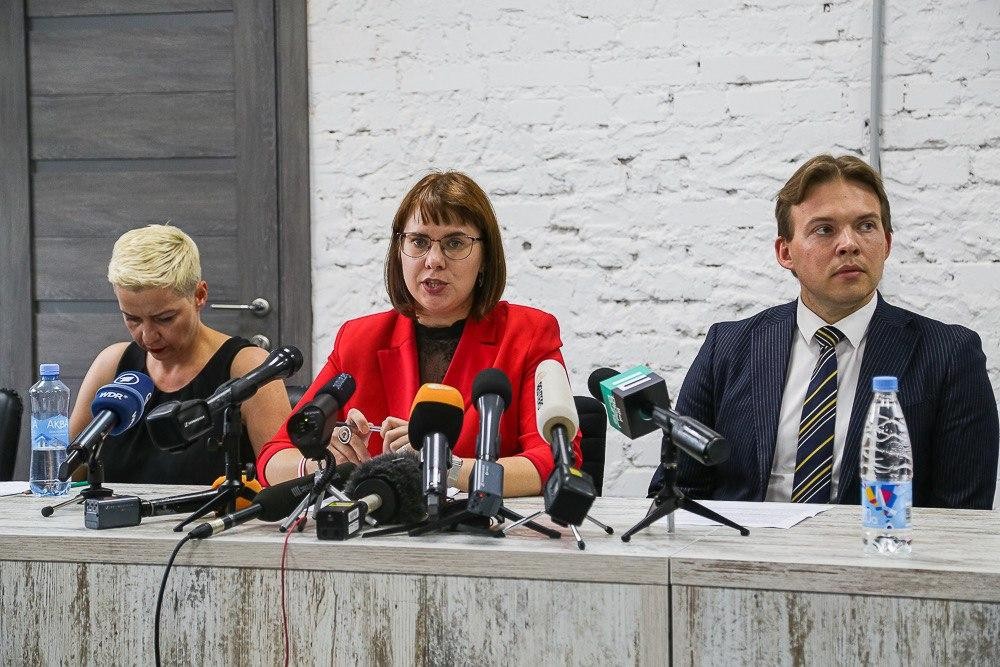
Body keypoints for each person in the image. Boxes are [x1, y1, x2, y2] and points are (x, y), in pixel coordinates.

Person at [649, 154, 998, 509]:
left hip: (879, 542)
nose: (849, 244)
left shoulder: (949, 355)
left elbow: (964, 515)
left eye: (866, 226)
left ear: (887, 244)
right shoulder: (727, 347)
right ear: (785, 252)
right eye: (824, 230)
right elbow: (678, 489)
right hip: (746, 542)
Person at [258, 171, 580, 495]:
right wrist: (325, 463)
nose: (434, 261)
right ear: (400, 250)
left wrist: (444, 466)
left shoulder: (527, 334)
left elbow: (554, 463)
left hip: (483, 524)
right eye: (419, 242)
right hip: (380, 520)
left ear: (485, 257)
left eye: (455, 243)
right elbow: (273, 458)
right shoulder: (359, 339)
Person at [69, 224, 291, 485]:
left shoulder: (248, 367)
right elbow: (63, 474)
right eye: (132, 319)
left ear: (199, 295)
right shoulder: (112, 364)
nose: (148, 336)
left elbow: (283, 485)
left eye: (164, 318)